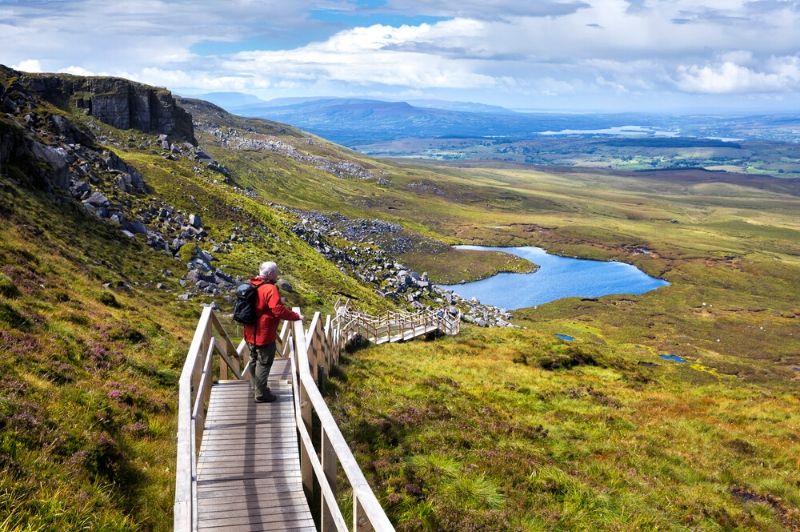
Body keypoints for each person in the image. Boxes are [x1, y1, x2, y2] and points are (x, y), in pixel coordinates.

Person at [243, 261, 301, 403]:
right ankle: (261, 394)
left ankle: (256, 387)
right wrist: (296, 316)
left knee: (253, 359)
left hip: (250, 331)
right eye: (276, 272)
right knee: (264, 362)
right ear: (269, 274)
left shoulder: (252, 284)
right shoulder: (270, 288)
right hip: (264, 333)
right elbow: (278, 310)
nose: (278, 274)